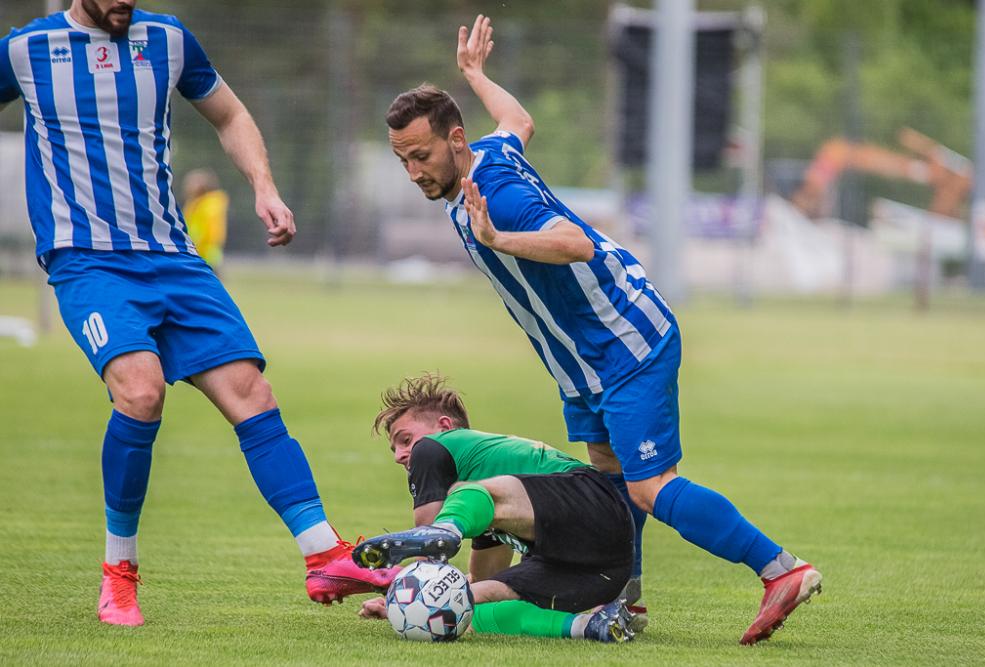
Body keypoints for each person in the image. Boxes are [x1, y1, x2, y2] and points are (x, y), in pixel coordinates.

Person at [383, 15, 823, 645]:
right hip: (584, 363)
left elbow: (576, 243)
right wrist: (476, 74)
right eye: (403, 160)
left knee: (649, 486)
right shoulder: (489, 154)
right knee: (611, 474)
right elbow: (518, 121)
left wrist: (499, 238)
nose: (413, 172)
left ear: (455, 141)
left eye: (421, 156)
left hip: (625, 345)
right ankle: (625, 597)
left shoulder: (495, 197)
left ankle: (781, 569)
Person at [0, 0, 396, 626]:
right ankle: (119, 574)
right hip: (89, 262)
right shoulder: (25, 51)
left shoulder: (168, 39)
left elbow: (230, 113)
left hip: (175, 258)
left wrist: (264, 187)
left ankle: (324, 556)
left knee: (252, 394)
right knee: (141, 391)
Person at [353, 374, 637, 643]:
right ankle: (591, 626)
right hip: (604, 570)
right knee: (460, 609)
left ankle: (445, 528)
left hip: (592, 499)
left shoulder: (433, 448)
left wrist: (425, 547)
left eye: (405, 440)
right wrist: (405, 605)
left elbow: (428, 547)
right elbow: (480, 579)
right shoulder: (487, 510)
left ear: (445, 426)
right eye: (395, 449)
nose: (400, 455)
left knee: (464, 494)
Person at [181, 168, 228, 272]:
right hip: (195, 249)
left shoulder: (210, 204)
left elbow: (210, 231)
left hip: (207, 252)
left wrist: (196, 243)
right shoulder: (194, 203)